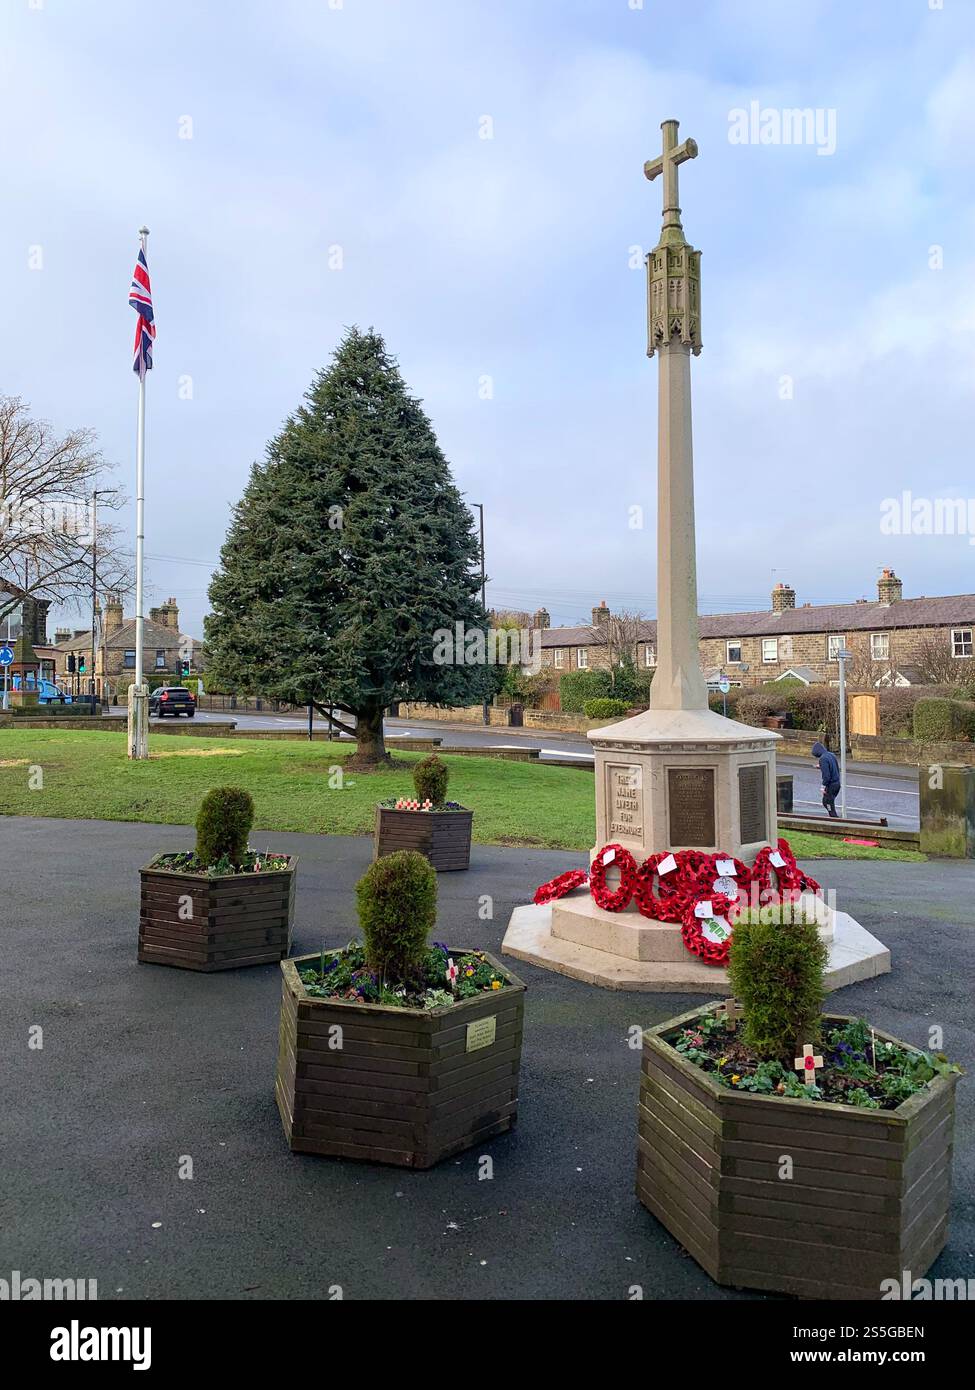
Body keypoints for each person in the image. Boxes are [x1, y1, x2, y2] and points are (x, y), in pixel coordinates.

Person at [811, 741, 841, 818]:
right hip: (837, 783)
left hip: (831, 785)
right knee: (828, 801)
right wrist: (821, 766)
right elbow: (833, 767)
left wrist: (823, 786)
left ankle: (834, 819)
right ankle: (833, 817)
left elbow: (826, 776)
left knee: (827, 802)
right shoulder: (831, 755)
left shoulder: (823, 759)